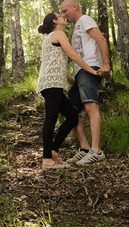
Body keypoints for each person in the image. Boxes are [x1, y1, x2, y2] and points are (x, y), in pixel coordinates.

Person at [36, 12, 102, 170]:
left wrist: (74, 81)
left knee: (72, 116)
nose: (63, 17)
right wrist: (91, 71)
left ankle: (52, 151)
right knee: (51, 118)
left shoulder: (49, 38)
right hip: (52, 85)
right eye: (60, 15)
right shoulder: (59, 33)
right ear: (55, 21)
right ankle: (47, 160)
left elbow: (56, 65)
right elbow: (73, 55)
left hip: (51, 83)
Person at [59, 0, 111, 166]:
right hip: (80, 73)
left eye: (65, 10)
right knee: (71, 112)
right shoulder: (76, 29)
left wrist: (105, 64)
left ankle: (96, 151)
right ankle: (84, 148)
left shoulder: (85, 19)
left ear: (75, 7)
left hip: (90, 68)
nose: (63, 14)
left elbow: (101, 40)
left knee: (90, 106)